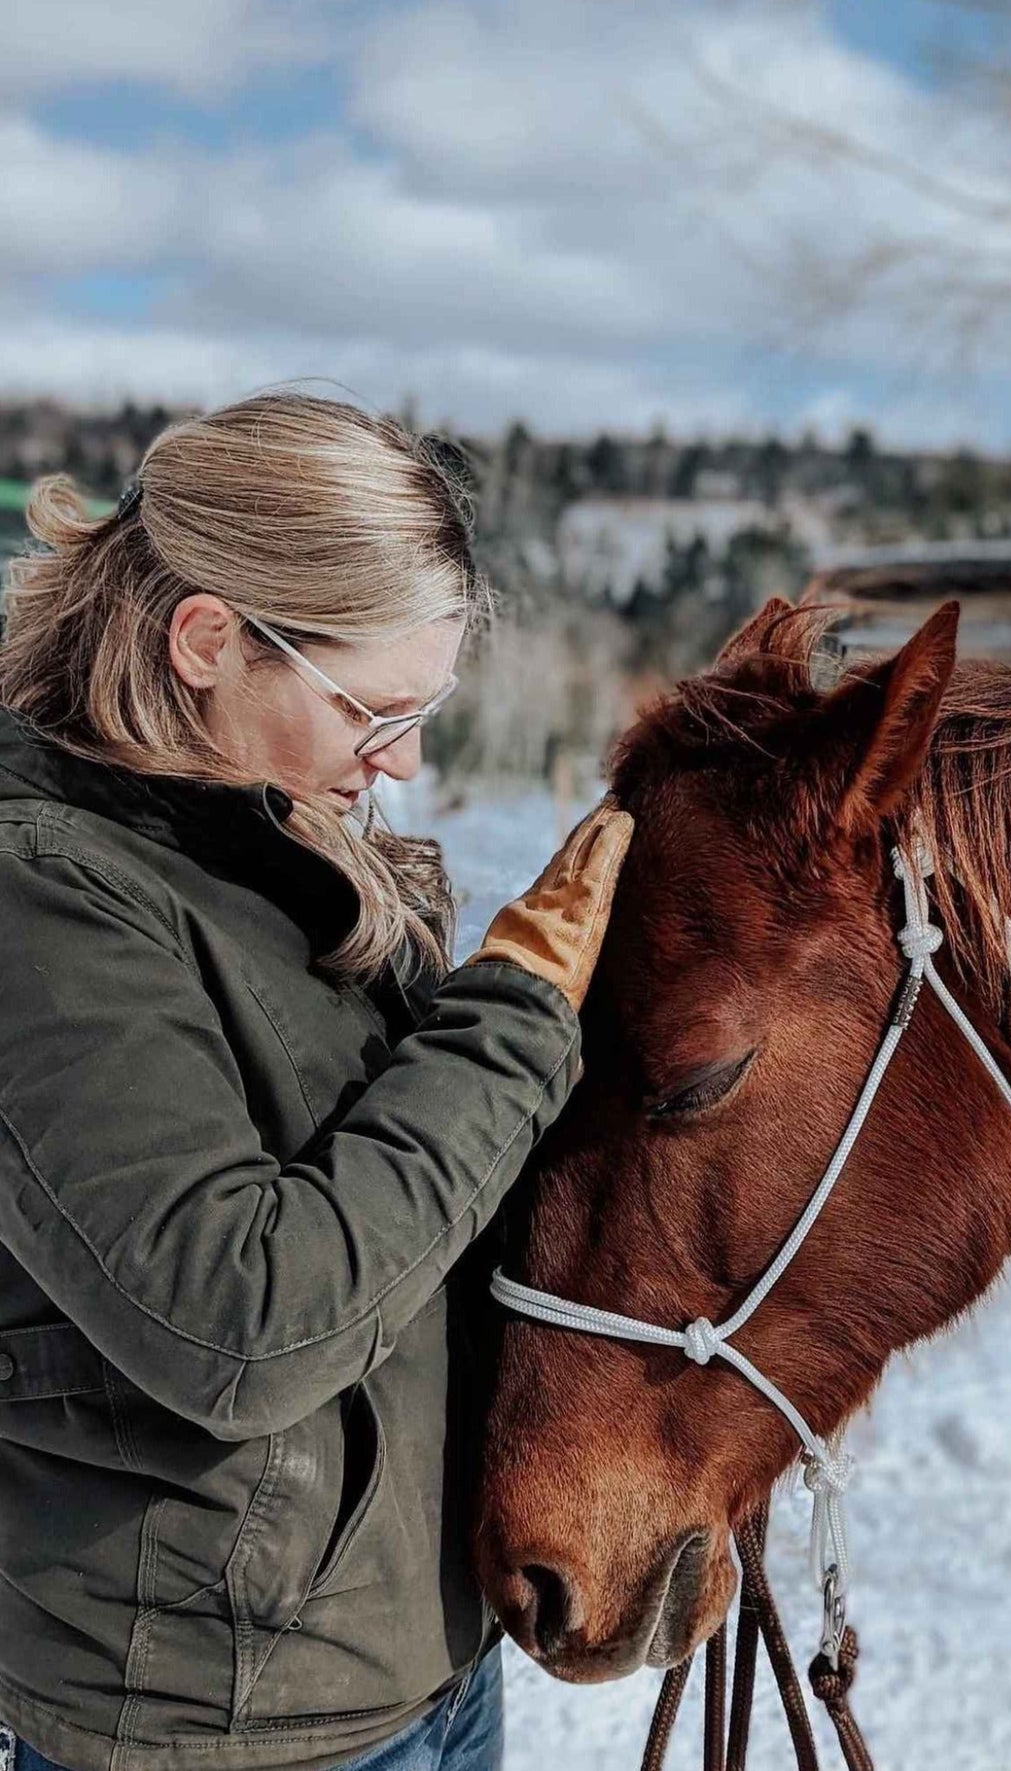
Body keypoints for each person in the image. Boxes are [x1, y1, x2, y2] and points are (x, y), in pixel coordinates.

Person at [0, 393, 633, 1771]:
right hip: (225, 1726)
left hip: (418, 1667)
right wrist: (510, 1023)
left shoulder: (266, 844)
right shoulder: (45, 898)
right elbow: (241, 1323)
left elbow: (403, 1227)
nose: (402, 761)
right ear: (210, 639)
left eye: (426, 711)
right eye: (373, 709)